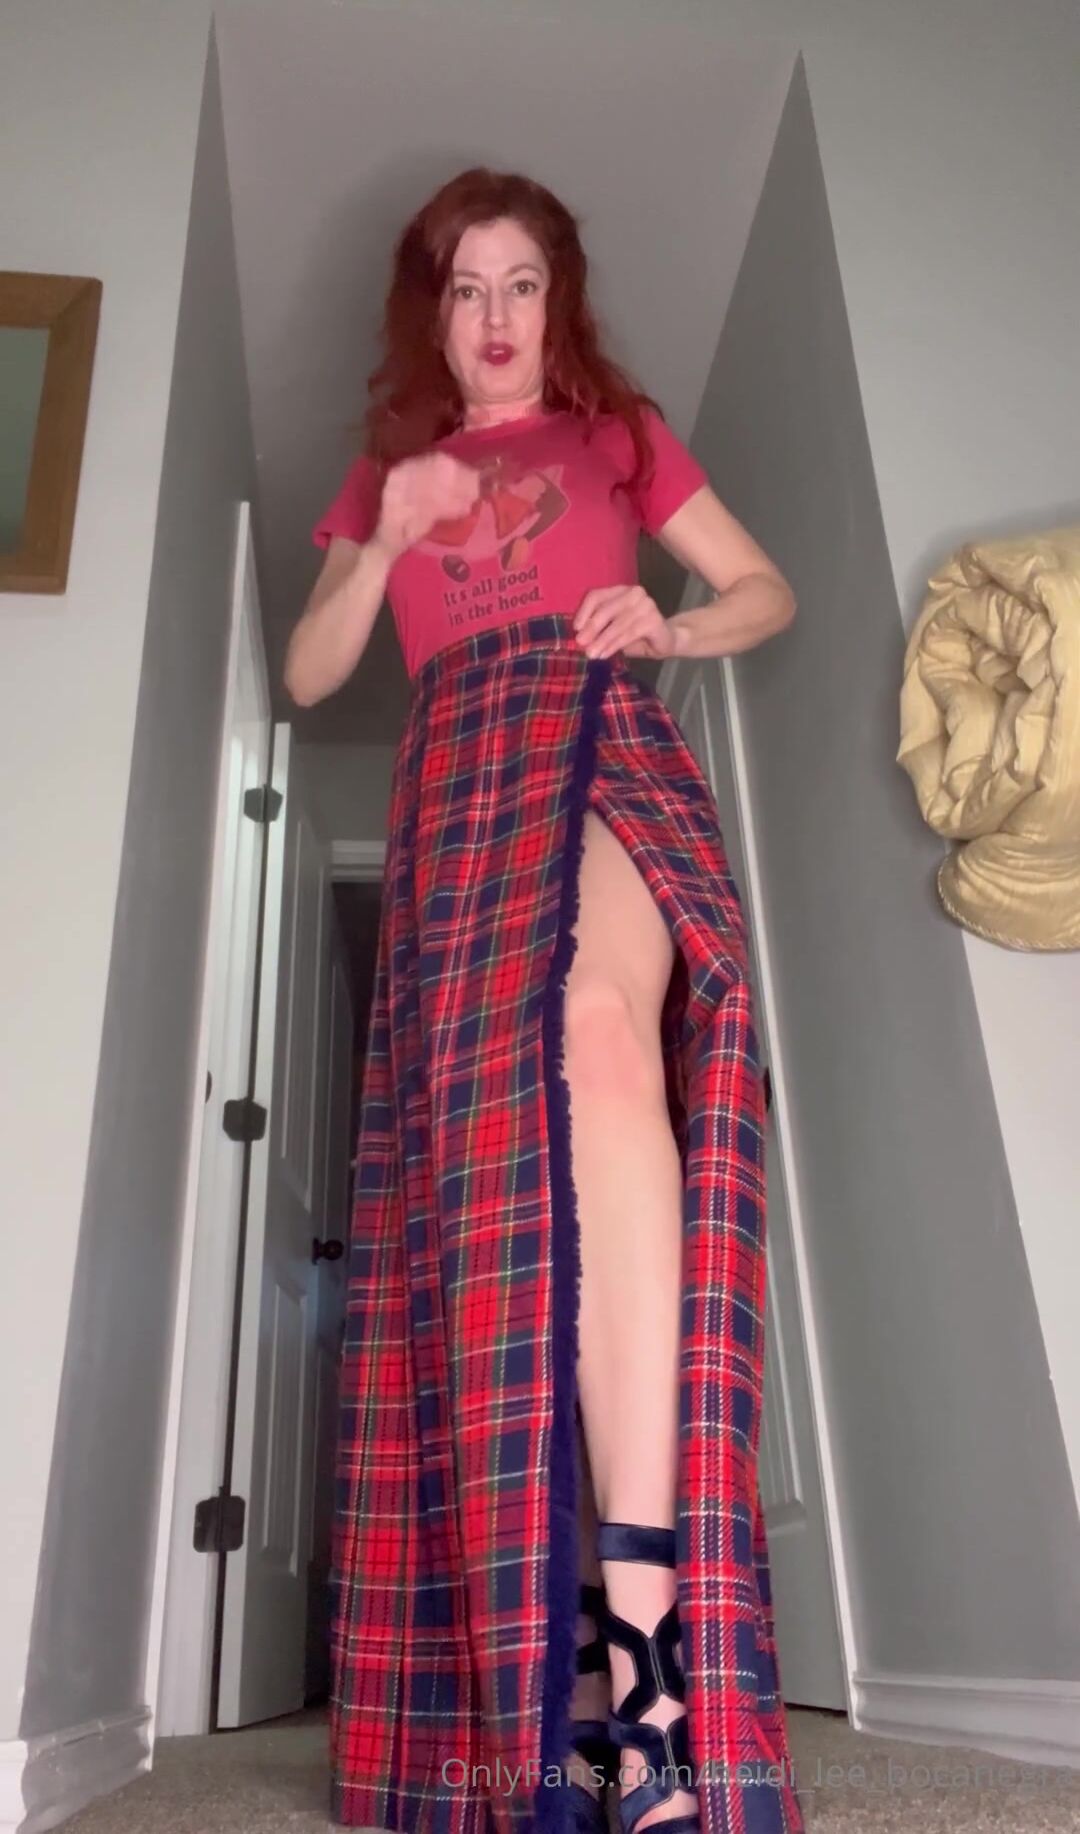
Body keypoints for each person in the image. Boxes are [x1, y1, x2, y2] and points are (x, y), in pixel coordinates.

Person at [285, 167, 804, 1834]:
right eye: (466, 287)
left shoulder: (617, 435)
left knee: (605, 1039)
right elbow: (308, 669)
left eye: (522, 282)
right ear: (431, 316)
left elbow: (766, 589)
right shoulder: (389, 474)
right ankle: (552, 1662)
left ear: (557, 301)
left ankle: (647, 1667)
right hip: (456, 783)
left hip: (593, 729)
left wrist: (673, 623)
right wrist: (391, 530)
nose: (497, 315)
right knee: (497, 1202)